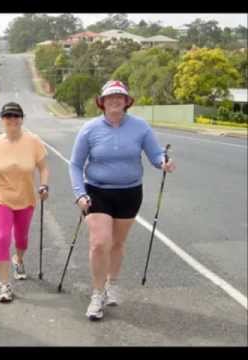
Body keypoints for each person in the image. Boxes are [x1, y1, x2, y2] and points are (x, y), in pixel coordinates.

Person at [69, 80, 175, 321]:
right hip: (97, 191)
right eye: (110, 97)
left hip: (129, 192)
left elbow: (155, 153)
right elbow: (76, 164)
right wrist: (79, 193)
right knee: (99, 242)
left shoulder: (140, 127)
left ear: (127, 101)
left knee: (117, 243)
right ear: (102, 102)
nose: (115, 100)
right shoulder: (89, 129)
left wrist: (163, 162)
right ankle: (97, 295)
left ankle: (112, 283)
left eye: (120, 96)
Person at [0, 102, 49, 303]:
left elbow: (43, 167)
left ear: (21, 119)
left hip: (26, 197)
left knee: (22, 238)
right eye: (8, 116)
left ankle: (19, 259)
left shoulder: (33, 141)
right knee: (2, 237)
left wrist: (44, 186)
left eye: (16, 116)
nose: (12, 120)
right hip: (0, 197)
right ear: (2, 119)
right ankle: (4, 284)